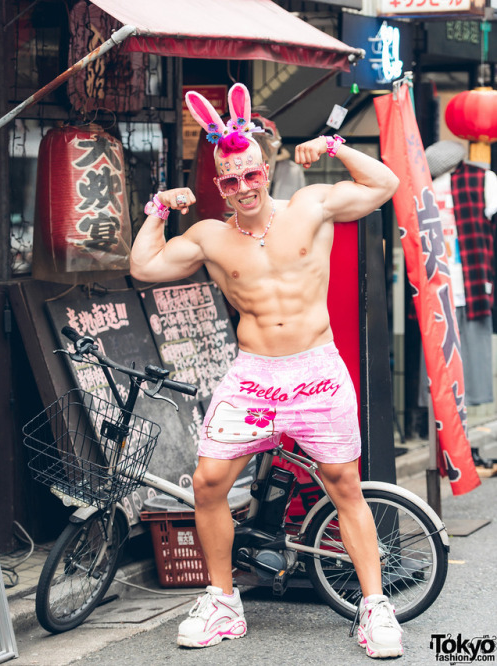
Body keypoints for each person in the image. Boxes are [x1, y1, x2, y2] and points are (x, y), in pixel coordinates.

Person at [130, 83, 402, 659]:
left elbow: (384, 185)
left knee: (343, 485)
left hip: (315, 369)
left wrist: (334, 147)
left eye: (251, 174)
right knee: (207, 484)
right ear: (218, 185)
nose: (244, 188)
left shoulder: (311, 206)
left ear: (266, 166)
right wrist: (158, 211)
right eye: (230, 181)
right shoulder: (207, 235)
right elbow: (144, 266)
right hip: (252, 375)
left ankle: (376, 608)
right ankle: (223, 603)